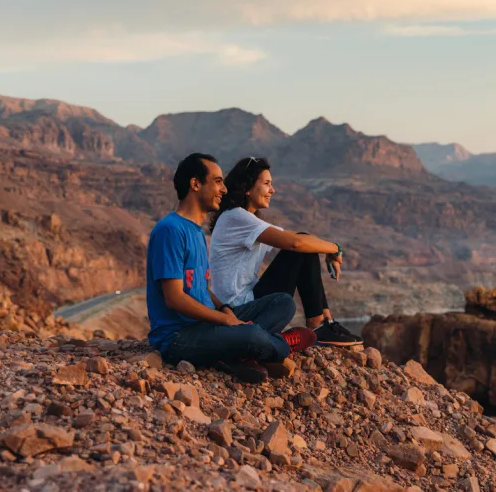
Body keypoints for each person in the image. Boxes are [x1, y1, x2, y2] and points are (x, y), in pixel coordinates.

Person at [145, 153, 316, 384]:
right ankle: (279, 345)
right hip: (178, 336)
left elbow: (200, 288)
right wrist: (223, 320)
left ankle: (236, 353)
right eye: (217, 181)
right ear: (195, 184)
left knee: (283, 303)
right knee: (252, 334)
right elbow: (174, 298)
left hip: (206, 324)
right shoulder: (170, 230)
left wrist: (224, 309)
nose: (224, 190)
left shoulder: (196, 231)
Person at [209, 156, 363, 346]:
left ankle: (325, 322)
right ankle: (318, 326)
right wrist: (335, 249)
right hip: (235, 310)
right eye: (266, 184)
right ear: (247, 188)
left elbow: (301, 240)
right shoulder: (236, 217)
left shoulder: (246, 219)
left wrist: (326, 248)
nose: (272, 190)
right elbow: (296, 243)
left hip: (244, 301)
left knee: (305, 245)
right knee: (300, 248)